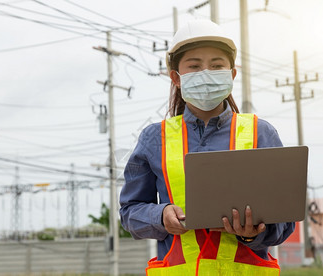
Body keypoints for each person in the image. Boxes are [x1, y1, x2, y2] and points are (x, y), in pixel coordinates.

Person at [119, 19, 294, 275]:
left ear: (232, 74)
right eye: (194, 66)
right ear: (176, 78)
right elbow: (130, 212)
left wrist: (251, 233)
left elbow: (285, 220)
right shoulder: (153, 139)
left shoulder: (261, 133)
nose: (206, 74)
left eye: (216, 65)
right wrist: (161, 215)